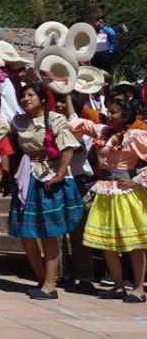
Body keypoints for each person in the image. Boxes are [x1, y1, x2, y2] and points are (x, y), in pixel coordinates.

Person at [0, 83, 84, 300]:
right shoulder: (18, 121)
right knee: (26, 234)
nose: (26, 99)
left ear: (42, 98)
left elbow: (67, 147)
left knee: (48, 232)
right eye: (23, 96)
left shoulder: (55, 119)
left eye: (30, 95)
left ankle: (50, 285)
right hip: (28, 177)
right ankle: (42, 277)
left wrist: (60, 174)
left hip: (48, 178)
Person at [71, 98, 147, 303]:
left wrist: (137, 181)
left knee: (133, 243)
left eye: (114, 112)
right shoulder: (102, 132)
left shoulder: (135, 136)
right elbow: (74, 124)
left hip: (125, 194)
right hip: (104, 192)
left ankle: (139, 287)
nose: (110, 115)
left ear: (126, 115)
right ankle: (118, 284)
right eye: (109, 111)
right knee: (107, 243)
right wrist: (66, 93)